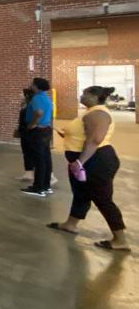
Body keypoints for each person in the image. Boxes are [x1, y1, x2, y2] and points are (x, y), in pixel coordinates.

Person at [47, 86, 130, 252]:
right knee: (81, 193)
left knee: (102, 198)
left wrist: (80, 162)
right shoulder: (90, 112)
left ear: (94, 96)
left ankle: (120, 239)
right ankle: (70, 224)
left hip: (96, 161)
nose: (81, 96)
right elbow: (84, 135)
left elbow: (95, 139)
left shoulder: (98, 114)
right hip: (87, 159)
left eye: (85, 94)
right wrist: (67, 134)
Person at [16, 88, 59, 185]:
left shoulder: (34, 105)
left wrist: (31, 126)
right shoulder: (26, 104)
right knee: (27, 153)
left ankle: (50, 177)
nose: (20, 95)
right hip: (26, 132)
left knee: (41, 156)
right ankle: (28, 174)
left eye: (21, 94)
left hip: (33, 132)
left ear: (27, 95)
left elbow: (40, 117)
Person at [21, 77, 54, 197]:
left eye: (32, 84)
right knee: (46, 158)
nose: (30, 85)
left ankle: (38, 188)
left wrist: (31, 125)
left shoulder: (37, 98)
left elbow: (39, 112)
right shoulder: (46, 97)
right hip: (46, 129)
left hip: (37, 131)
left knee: (39, 160)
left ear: (36, 86)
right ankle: (46, 186)